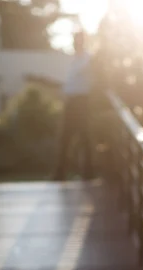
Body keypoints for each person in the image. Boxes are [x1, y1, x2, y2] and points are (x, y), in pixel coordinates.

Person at [54, 30, 94, 181]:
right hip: (70, 101)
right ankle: (60, 173)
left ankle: (88, 172)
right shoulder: (72, 60)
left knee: (85, 137)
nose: (75, 42)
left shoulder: (88, 59)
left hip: (82, 102)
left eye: (78, 39)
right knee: (65, 137)